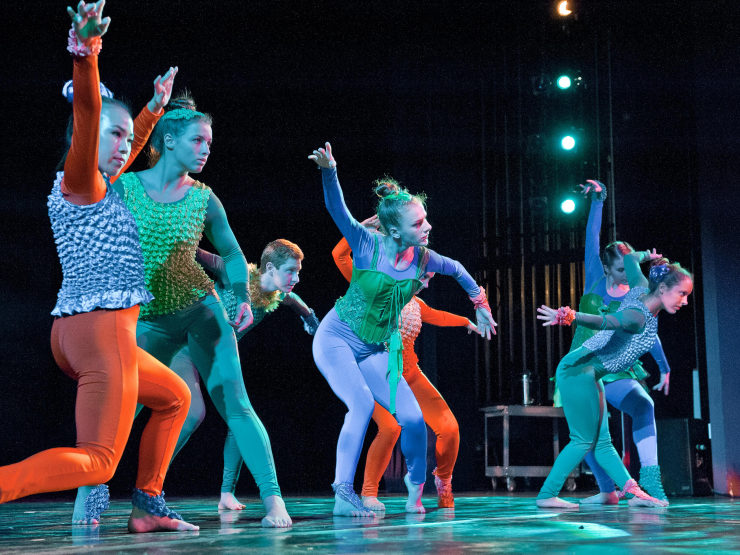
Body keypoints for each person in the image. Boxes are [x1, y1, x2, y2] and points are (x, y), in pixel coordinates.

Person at [0, 1, 197, 532]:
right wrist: (87, 53)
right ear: (81, 143)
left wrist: (152, 111)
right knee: (99, 459)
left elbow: (119, 140)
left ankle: (148, 506)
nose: (125, 145)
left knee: (175, 397)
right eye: (114, 136)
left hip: (82, 332)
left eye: (129, 137)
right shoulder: (81, 179)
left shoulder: (89, 186)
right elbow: (90, 114)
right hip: (103, 330)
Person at [77, 88, 292, 527]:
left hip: (202, 314)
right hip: (148, 322)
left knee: (235, 404)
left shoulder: (204, 199)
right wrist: (150, 109)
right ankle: (89, 497)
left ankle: (274, 503)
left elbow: (232, 255)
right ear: (168, 141)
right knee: (118, 409)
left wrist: (241, 296)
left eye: (210, 143)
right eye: (198, 140)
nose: (206, 149)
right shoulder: (126, 186)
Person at [308, 142, 496, 516]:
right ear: (393, 230)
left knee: (412, 420)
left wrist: (480, 304)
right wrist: (329, 171)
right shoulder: (366, 245)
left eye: (425, 219)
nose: (427, 227)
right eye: (418, 223)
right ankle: (344, 494)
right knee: (361, 405)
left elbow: (458, 269)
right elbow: (337, 210)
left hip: (375, 349)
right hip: (337, 338)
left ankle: (415, 489)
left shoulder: (425, 258)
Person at [332, 227, 477, 510]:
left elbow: (439, 316)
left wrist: (467, 322)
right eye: (426, 273)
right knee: (389, 428)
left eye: (430, 273)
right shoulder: (370, 289)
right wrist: (362, 228)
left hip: (409, 374)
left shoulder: (417, 304)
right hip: (374, 375)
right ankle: (368, 493)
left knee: (449, 428)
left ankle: (443, 480)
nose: (429, 278)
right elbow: (340, 256)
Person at [535, 249, 692, 509]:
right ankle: (546, 495)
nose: (684, 301)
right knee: (583, 439)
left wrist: (645, 255)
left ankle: (633, 492)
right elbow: (606, 320)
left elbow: (630, 260)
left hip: (590, 374)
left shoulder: (642, 287)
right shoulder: (637, 317)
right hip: (576, 371)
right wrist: (572, 316)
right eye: (682, 294)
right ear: (663, 289)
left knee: (603, 443)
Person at [186, 240, 319, 511]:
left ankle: (226, 494)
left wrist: (311, 319)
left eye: (298, 271)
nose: (297, 277)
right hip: (188, 350)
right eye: (291, 271)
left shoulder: (278, 294)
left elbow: (294, 301)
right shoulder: (237, 275)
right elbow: (200, 255)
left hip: (218, 360)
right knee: (189, 414)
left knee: (240, 424)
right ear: (269, 267)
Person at [565, 180, 672, 505]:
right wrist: (598, 201)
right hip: (587, 365)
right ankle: (607, 490)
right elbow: (592, 238)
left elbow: (647, 332)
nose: (627, 275)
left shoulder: (638, 293)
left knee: (643, 405)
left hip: (618, 367)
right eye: (620, 270)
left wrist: (664, 368)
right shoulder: (595, 278)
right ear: (607, 269)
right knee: (589, 434)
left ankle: (651, 481)